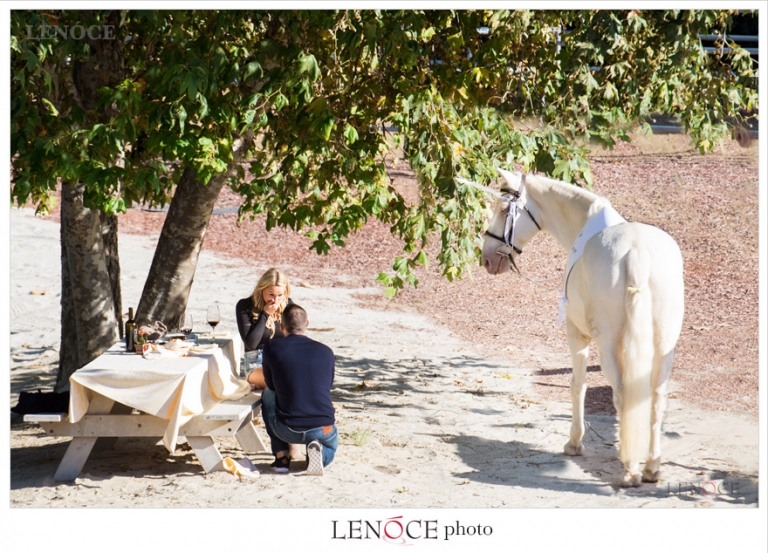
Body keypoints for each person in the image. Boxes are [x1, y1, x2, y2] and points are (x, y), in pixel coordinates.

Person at [261, 303, 337, 475]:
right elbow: (328, 385)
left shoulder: (272, 347)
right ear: (307, 324)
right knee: (329, 447)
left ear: (281, 327)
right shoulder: (326, 351)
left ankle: (282, 456)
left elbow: (271, 385)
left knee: (268, 393)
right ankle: (318, 453)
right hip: (323, 426)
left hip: (287, 429)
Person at [235, 268, 291, 389]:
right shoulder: (245, 306)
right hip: (257, 361)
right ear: (261, 289)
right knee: (282, 382)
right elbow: (251, 344)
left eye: (280, 295)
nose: (275, 300)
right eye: (271, 295)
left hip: (282, 359)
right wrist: (265, 314)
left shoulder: (287, 305)